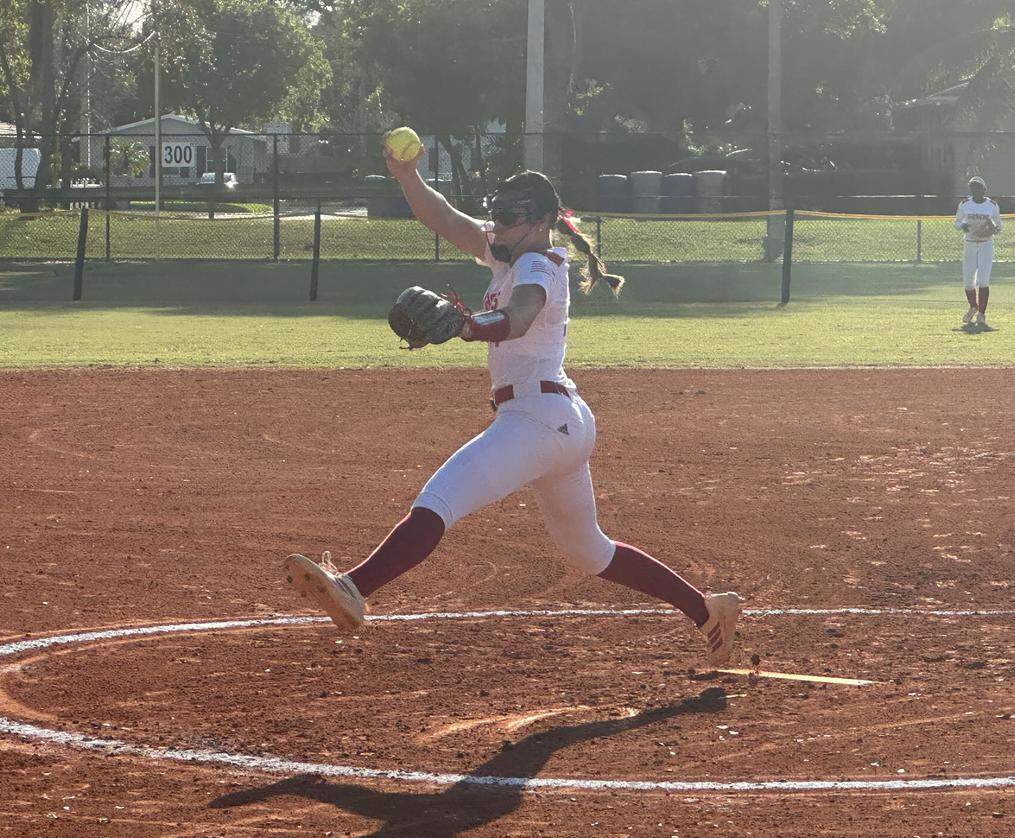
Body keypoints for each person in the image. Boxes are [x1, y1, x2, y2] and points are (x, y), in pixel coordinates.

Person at [284, 137, 745, 668]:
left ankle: (355, 588)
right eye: (497, 215)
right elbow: (447, 219)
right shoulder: (509, 256)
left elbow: (522, 316)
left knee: (439, 500)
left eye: (511, 217)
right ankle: (708, 610)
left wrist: (467, 325)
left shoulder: (540, 267)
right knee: (589, 551)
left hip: (537, 420)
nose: (498, 226)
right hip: (558, 420)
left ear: (544, 220)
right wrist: (407, 176)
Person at [954, 176, 1001, 327]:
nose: (976, 192)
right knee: (968, 281)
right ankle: (973, 306)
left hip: (986, 244)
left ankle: (981, 313)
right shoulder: (965, 204)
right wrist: (963, 226)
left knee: (983, 280)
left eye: (978, 189)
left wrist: (991, 227)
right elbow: (957, 222)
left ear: (984, 190)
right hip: (970, 243)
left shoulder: (992, 205)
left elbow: (998, 227)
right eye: (973, 189)